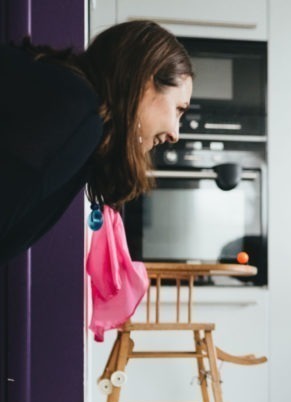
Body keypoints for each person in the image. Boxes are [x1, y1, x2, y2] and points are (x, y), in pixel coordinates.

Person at [0, 20, 193, 264]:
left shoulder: (77, 109)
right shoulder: (76, 115)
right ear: (145, 82)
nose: (175, 134)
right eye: (178, 109)